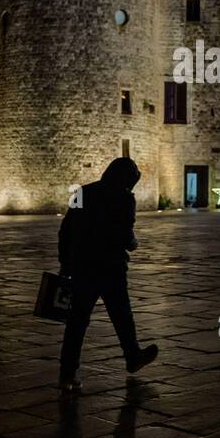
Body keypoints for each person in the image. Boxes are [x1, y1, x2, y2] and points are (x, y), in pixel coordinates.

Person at [57, 157, 158, 392]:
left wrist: (65, 261)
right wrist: (133, 244)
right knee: (122, 315)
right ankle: (133, 356)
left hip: (82, 266)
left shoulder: (84, 192)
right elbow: (124, 234)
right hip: (110, 267)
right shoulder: (123, 198)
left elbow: (66, 230)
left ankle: (66, 374)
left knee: (77, 323)